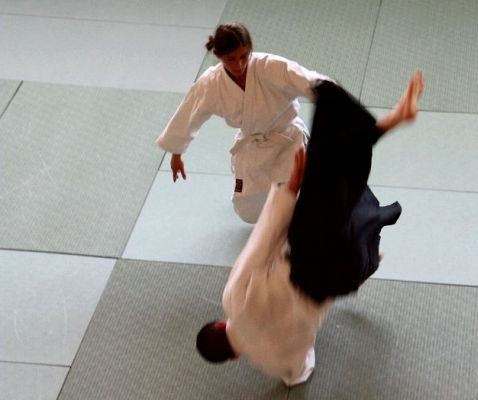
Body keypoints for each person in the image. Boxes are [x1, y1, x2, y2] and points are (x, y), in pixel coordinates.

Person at [196, 70, 424, 386]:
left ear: (234, 357)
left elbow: (298, 370)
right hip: (306, 252)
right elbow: (261, 245)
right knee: (329, 170)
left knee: (355, 227)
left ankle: (367, 260)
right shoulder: (233, 300)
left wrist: (345, 284)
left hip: (335, 276)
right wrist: (288, 191)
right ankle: (382, 117)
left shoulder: (273, 359)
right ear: (220, 324)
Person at [155, 22, 331, 223]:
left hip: (288, 138)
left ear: (250, 50)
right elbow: (189, 114)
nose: (239, 65)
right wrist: (176, 153)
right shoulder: (211, 84)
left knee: (286, 196)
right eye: (230, 59)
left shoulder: (271, 67)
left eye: (244, 56)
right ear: (219, 56)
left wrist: (339, 108)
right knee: (249, 210)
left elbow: (309, 80)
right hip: (252, 143)